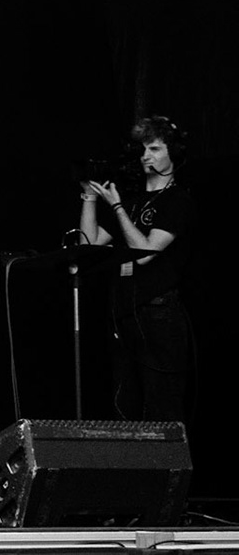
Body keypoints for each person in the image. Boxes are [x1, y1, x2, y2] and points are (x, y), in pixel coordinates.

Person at [79, 116, 194, 419]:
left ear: (174, 154)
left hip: (159, 312)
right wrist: (89, 197)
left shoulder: (177, 200)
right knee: (124, 403)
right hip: (124, 313)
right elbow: (89, 241)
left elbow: (144, 253)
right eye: (143, 150)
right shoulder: (131, 202)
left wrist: (116, 208)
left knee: (161, 405)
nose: (146, 156)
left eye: (155, 148)